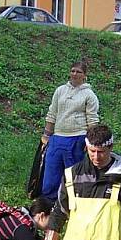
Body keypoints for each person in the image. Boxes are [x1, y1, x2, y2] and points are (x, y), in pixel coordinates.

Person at [40, 61, 100, 200]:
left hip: (77, 138)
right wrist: (46, 135)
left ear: (84, 75)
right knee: (51, 174)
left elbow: (92, 121)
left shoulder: (89, 95)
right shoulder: (60, 90)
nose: (75, 74)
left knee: (73, 176)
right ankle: (49, 203)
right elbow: (52, 113)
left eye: (78, 72)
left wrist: (90, 141)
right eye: (73, 70)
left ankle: (72, 203)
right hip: (57, 138)